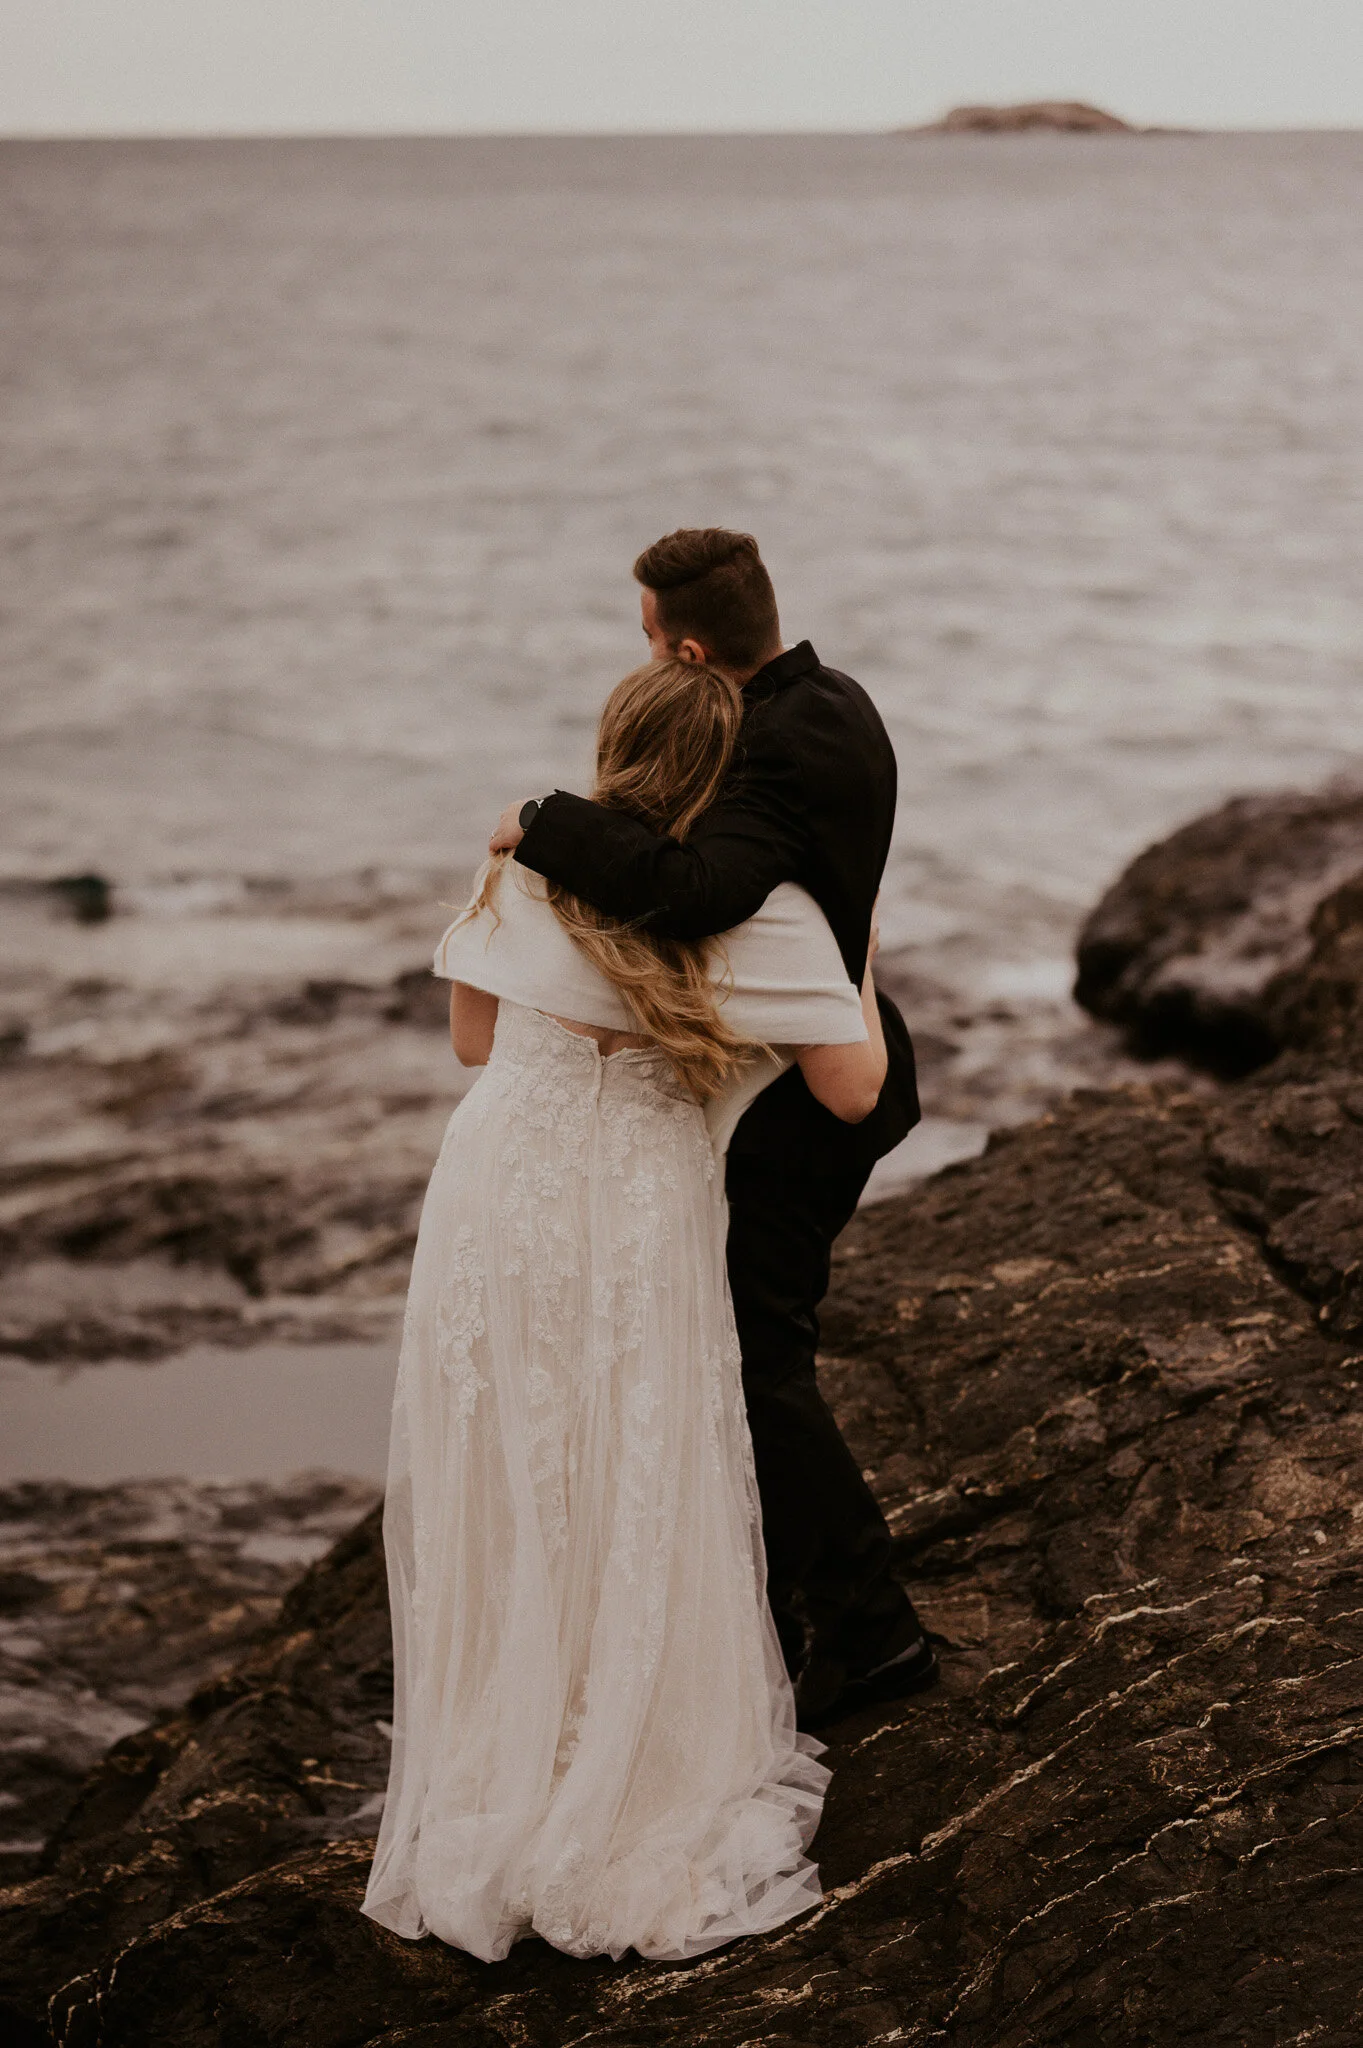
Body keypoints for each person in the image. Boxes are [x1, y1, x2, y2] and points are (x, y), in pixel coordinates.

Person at [363, 655, 892, 1963]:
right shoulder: (756, 915)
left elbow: (474, 1044)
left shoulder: (521, 864)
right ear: (720, 781)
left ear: (608, 753)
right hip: (633, 1208)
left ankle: (510, 1753)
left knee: (512, 1472)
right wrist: (858, 950)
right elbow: (850, 1092)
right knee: (634, 1465)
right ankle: (625, 1761)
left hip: (499, 1193)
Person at [490, 527, 934, 1728]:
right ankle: (791, 1615)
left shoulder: (776, 749)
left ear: (686, 645)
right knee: (747, 1357)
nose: (643, 652)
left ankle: (872, 1630)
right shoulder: (838, 700)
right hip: (831, 1051)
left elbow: (696, 894)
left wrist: (548, 821)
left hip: (808, 1100)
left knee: (756, 1366)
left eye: (645, 635)